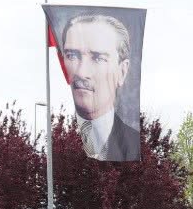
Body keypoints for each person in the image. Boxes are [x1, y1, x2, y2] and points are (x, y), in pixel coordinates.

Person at [60, 12, 142, 161]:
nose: (81, 72)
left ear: (122, 71)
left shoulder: (133, 145)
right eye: (72, 55)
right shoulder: (52, 141)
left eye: (98, 58)